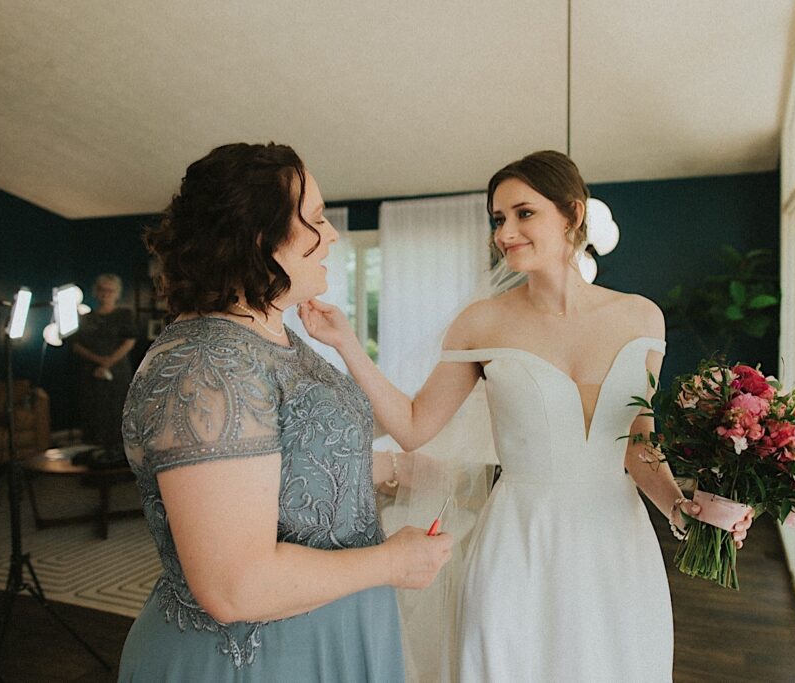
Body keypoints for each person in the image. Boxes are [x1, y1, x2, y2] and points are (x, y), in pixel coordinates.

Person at [300, 150, 754, 682]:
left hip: (618, 546)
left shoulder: (641, 317)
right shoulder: (481, 324)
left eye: (523, 213)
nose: (506, 232)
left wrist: (680, 510)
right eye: (498, 219)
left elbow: (637, 445)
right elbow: (414, 425)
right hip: (521, 542)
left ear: (573, 214)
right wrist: (347, 342)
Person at [116, 142, 453, 681]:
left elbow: (289, 464)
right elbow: (234, 586)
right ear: (260, 238)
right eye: (317, 219)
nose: (333, 236)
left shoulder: (271, 336)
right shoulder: (207, 367)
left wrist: (392, 471)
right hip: (259, 658)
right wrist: (391, 563)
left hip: (334, 627)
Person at [70, 273, 137, 448]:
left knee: (117, 412)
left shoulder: (124, 315)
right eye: (102, 290)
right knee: (93, 412)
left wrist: (108, 362)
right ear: (96, 292)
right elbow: (76, 345)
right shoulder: (85, 318)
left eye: (110, 290)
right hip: (90, 371)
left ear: (117, 293)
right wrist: (98, 360)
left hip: (118, 371)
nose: (106, 294)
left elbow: (129, 341)